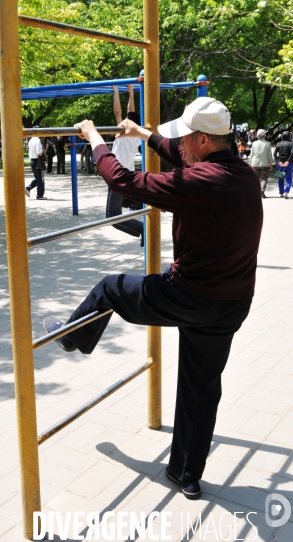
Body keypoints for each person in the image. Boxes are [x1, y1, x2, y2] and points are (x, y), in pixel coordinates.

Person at [43, 96, 263, 500]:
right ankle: (185, 474)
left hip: (190, 296)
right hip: (232, 304)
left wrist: (94, 138)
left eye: (186, 139)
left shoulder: (199, 183)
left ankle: (73, 336)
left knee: (111, 287)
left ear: (201, 140)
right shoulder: (243, 175)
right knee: (202, 387)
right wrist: (143, 133)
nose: (181, 146)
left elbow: (123, 182)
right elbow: (179, 156)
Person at [106, 85, 143, 244]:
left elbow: (118, 113)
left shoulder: (123, 135)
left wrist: (115, 91)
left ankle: (142, 229)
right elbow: (130, 113)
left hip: (119, 176)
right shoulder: (137, 136)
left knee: (113, 216)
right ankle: (150, 202)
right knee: (126, 201)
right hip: (127, 176)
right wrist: (131, 92)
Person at [249, 128, 273, 198]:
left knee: (256, 178)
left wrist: (250, 164)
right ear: (264, 135)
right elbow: (269, 154)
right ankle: (262, 191)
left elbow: (251, 154)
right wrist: (271, 163)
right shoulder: (268, 143)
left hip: (254, 163)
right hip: (264, 163)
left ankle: (256, 192)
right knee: (264, 178)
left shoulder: (254, 143)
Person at [25, 133, 46, 199]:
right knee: (40, 179)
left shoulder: (31, 140)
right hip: (37, 161)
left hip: (32, 160)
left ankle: (28, 188)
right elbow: (39, 153)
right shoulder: (38, 141)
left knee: (37, 177)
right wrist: (44, 154)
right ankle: (39, 195)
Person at [274, 131, 293, 199]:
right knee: (289, 179)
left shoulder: (278, 144)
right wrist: (288, 161)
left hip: (280, 164)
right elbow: (292, 153)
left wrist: (278, 161)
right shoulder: (291, 144)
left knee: (280, 178)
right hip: (289, 163)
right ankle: (286, 191)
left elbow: (275, 154)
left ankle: (281, 193)